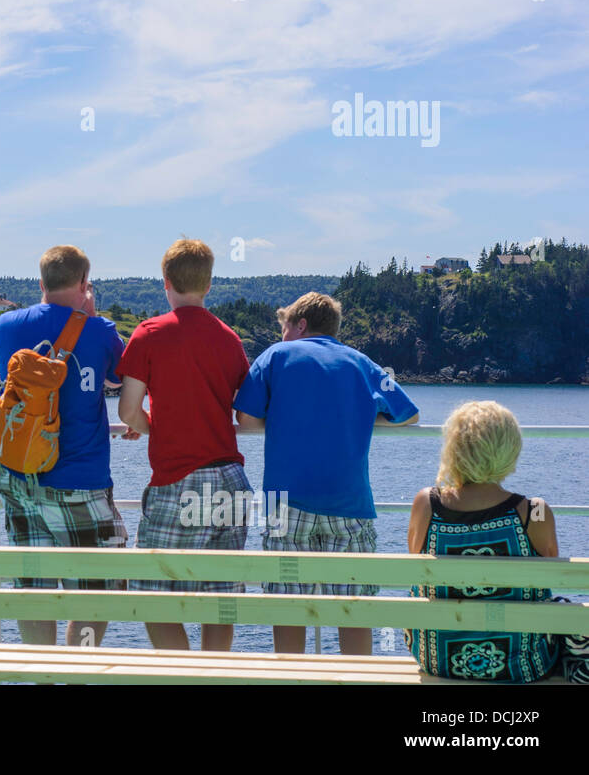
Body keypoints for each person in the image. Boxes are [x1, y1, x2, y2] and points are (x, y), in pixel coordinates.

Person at [233, 291, 419, 655]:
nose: (282, 335)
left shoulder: (275, 356)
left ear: (299, 324)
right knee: (354, 613)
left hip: (285, 507)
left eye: (285, 327)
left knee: (288, 610)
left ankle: (292, 679)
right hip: (349, 506)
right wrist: (363, 417)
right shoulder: (361, 363)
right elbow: (408, 415)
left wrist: (282, 418)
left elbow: (246, 419)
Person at [0, 244, 128, 647]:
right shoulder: (100, 331)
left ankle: (42, 672)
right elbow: (117, 381)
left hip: (17, 475)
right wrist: (91, 316)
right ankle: (76, 668)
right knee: (96, 588)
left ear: (41, 281)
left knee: (34, 588)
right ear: (85, 282)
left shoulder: (7, 325)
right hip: (80, 478)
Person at [116, 239, 250, 651]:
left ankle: (183, 674)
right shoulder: (230, 339)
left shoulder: (149, 334)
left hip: (180, 480)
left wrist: (156, 427)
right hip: (230, 478)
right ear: (208, 285)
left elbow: (127, 411)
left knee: (152, 592)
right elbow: (244, 416)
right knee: (221, 597)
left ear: (166, 282)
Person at [405, 400, 561, 682]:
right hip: (521, 664)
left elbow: (417, 565)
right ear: (510, 449)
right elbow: (548, 576)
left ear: (454, 450)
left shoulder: (425, 503)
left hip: (439, 661)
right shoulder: (535, 510)